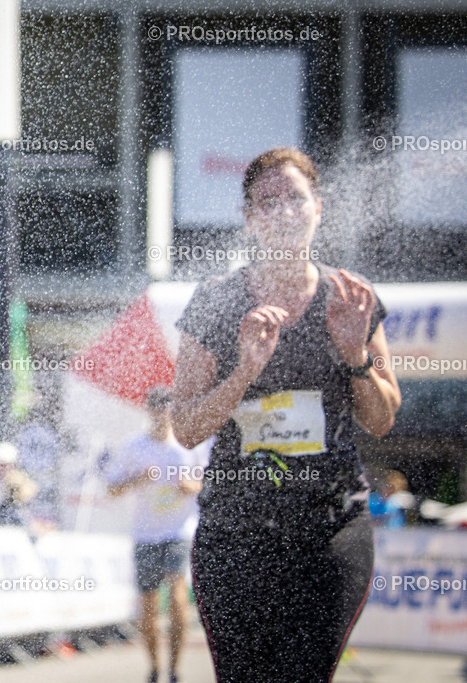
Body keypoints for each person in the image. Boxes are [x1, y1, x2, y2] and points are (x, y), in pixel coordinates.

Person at [171, 147, 401, 682]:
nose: (282, 211)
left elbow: (383, 419)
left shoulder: (351, 299)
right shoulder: (215, 302)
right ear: (250, 219)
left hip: (329, 531)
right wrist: (243, 373)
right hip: (237, 534)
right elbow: (185, 428)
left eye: (294, 198)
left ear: (317, 207)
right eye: (266, 202)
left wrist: (354, 357)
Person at [105, 387, 205, 683]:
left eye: (167, 409)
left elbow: (205, 483)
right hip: (145, 534)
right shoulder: (133, 447)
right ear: (149, 412)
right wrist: (138, 478)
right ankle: (154, 668)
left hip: (179, 531)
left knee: (176, 595)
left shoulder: (189, 445)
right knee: (148, 608)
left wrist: (189, 486)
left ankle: (174, 669)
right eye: (157, 409)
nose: (162, 415)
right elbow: (111, 489)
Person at [0, 442, 37, 526]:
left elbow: (30, 496)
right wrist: (3, 489)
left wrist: (16, 490)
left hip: (14, 526)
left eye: (6, 465)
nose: (2, 469)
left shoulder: (18, 479)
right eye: (0, 465)